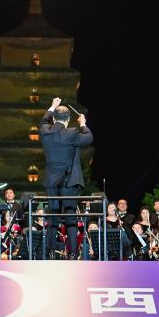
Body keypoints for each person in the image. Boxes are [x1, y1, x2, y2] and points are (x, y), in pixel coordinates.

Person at [39, 96, 93, 259]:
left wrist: (52, 106)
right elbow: (89, 137)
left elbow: (44, 120)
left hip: (52, 181)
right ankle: (73, 253)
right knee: (70, 216)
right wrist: (83, 123)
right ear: (68, 120)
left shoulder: (45, 131)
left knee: (53, 217)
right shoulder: (72, 133)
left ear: (54, 119)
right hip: (69, 181)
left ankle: (49, 252)